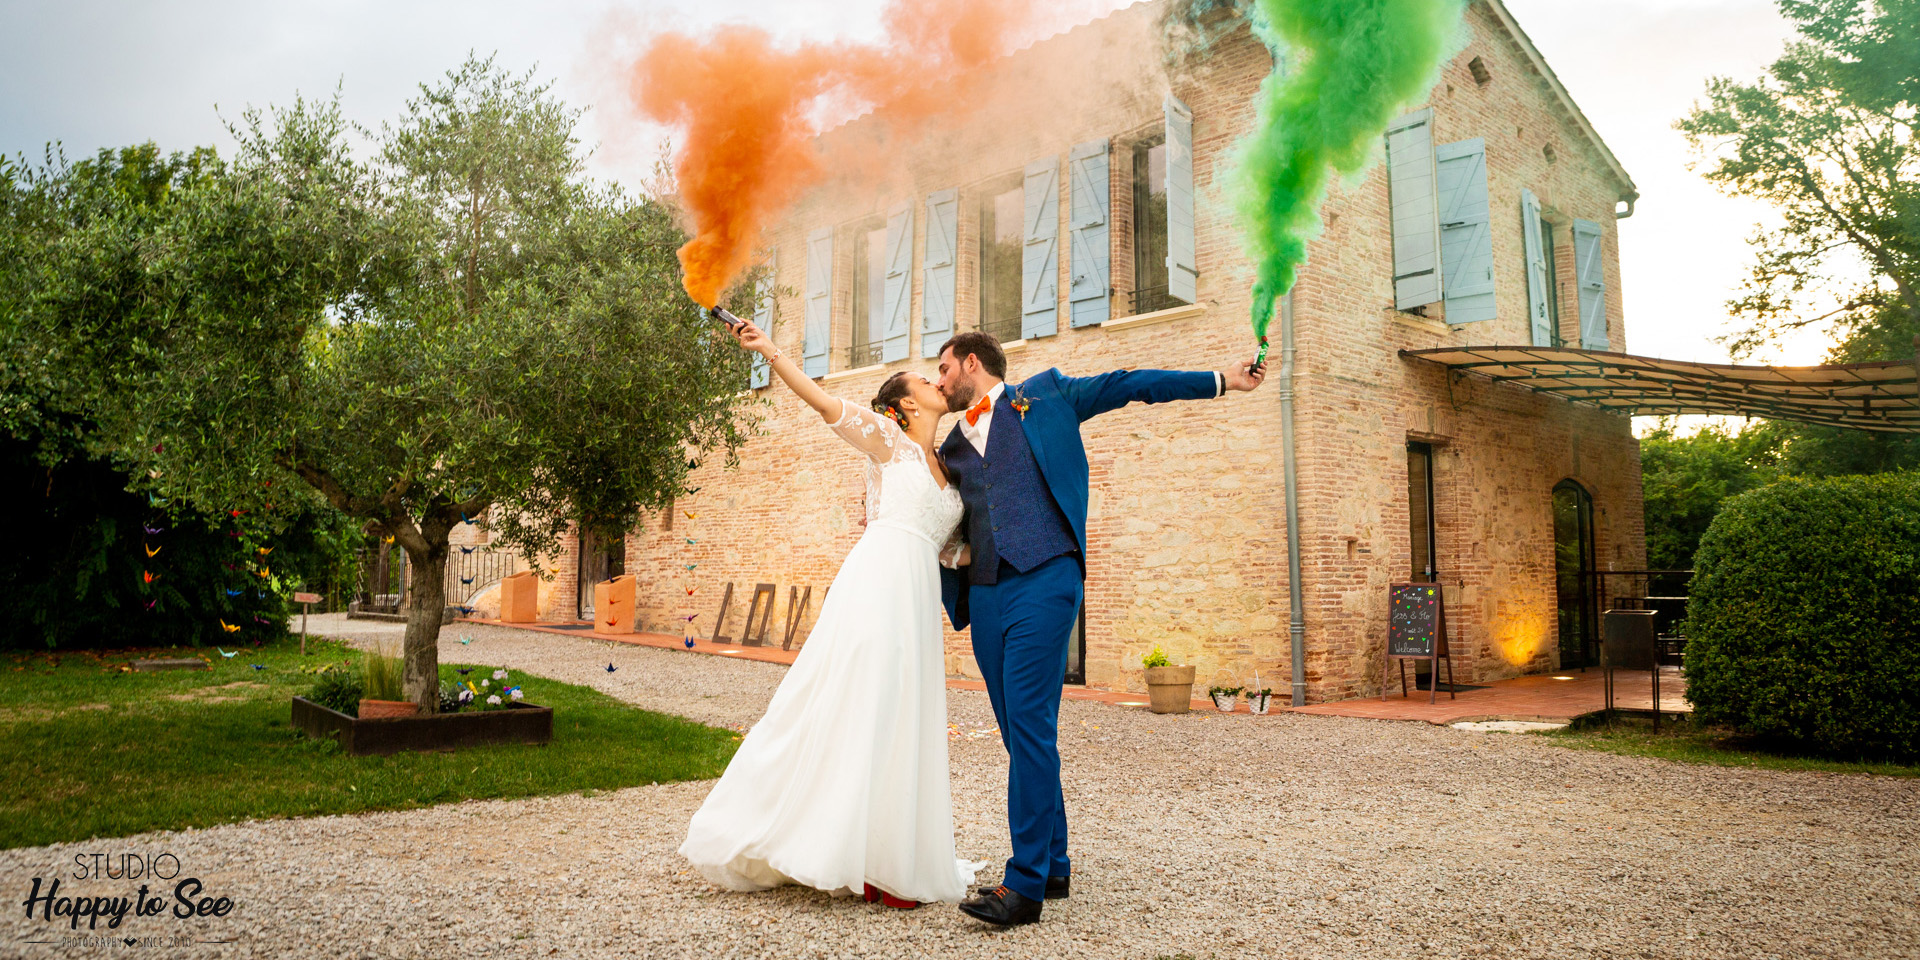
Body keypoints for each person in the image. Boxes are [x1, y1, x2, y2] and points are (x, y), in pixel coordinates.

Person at [934, 332, 1266, 927]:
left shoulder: (1048, 395)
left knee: (1032, 726)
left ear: (972, 363)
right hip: (985, 594)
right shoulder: (952, 446)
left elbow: (1132, 385)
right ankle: (1055, 863)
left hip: (1045, 579)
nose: (938, 382)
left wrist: (1221, 380)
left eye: (942, 369)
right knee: (1017, 733)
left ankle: (1025, 885)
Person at [678, 316, 981, 909]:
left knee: (901, 715)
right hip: (875, 586)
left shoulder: (949, 468)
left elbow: (950, 549)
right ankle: (827, 845)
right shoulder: (884, 439)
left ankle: (888, 860)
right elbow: (820, 401)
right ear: (901, 404)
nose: (934, 381)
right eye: (922, 378)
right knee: (855, 703)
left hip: (917, 596)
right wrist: (769, 349)